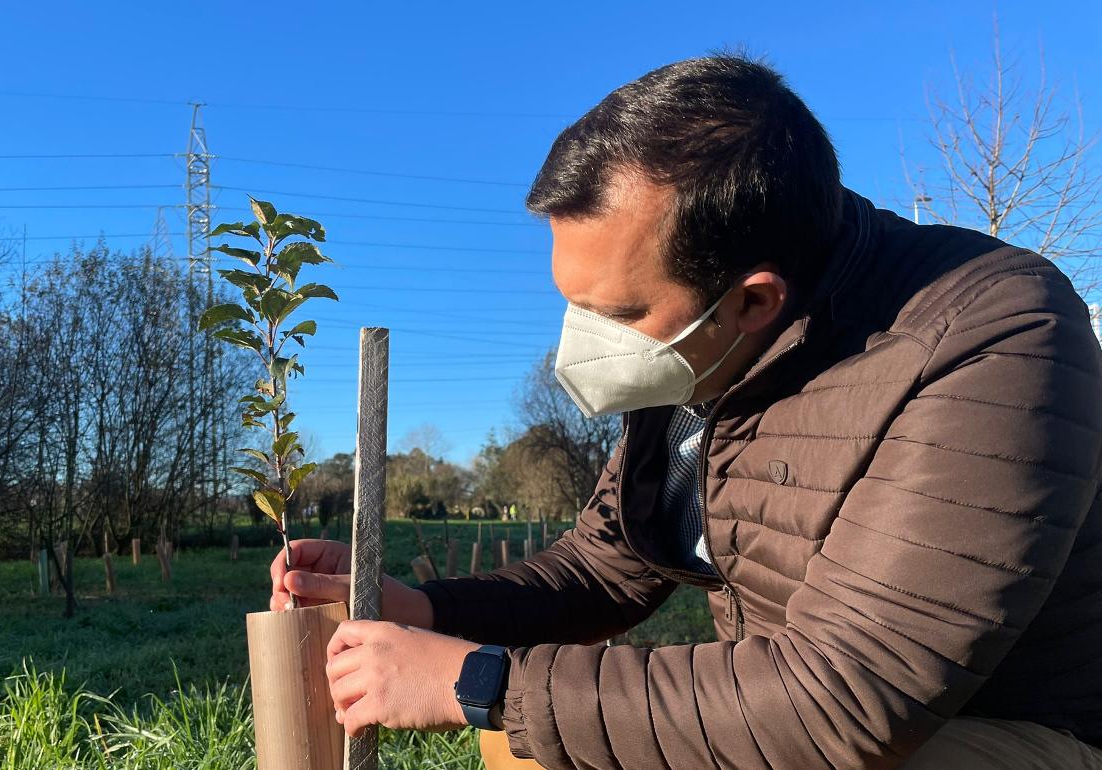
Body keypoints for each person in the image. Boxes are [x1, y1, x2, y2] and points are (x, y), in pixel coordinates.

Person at [270, 55, 1102, 768]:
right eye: (575, 305)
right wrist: (427, 611)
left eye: (619, 315)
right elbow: (602, 570)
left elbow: (845, 701)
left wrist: (476, 681)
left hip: (1001, 728)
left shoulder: (992, 336)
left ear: (753, 300)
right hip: (805, 707)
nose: (584, 342)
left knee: (517, 715)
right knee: (525, 743)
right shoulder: (701, 355)